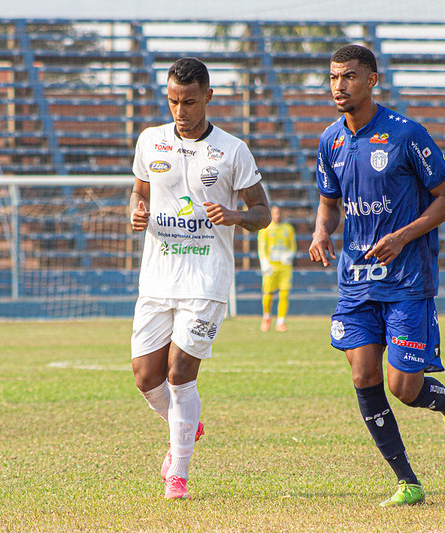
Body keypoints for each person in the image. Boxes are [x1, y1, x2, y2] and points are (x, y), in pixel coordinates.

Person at [308, 44, 445, 507]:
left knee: (404, 388)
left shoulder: (406, 134)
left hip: (406, 281)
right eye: (334, 77)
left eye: (350, 77)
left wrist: (402, 236)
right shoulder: (330, 141)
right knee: (364, 375)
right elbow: (329, 201)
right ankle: (407, 481)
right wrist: (322, 232)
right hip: (356, 281)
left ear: (372, 80)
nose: (339, 86)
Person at [129, 57, 271, 500]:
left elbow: (263, 213)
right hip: (157, 276)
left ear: (207, 97)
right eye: (172, 101)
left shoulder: (232, 150)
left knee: (179, 372)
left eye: (189, 102)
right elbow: (140, 190)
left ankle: (179, 474)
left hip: (207, 278)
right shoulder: (150, 141)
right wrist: (136, 209)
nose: (180, 111)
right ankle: (185, 426)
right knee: (144, 376)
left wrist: (234, 215)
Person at [258, 205, 297, 332]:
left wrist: (290, 255)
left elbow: (292, 246)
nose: (277, 215)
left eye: (279, 213)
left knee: (284, 293)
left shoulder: (288, 228)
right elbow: (261, 247)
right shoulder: (265, 229)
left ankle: (281, 321)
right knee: (268, 294)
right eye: (274, 213)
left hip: (285, 266)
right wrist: (264, 262)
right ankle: (266, 317)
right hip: (271, 266)